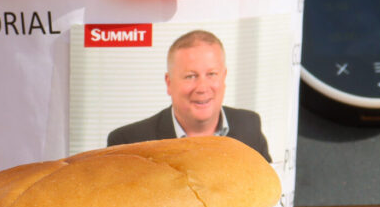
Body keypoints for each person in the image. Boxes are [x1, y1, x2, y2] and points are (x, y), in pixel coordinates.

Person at [107, 30, 272, 162]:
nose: (202, 88)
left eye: (212, 74)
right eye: (190, 76)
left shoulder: (249, 126)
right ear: (169, 83)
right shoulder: (129, 143)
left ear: (224, 77)